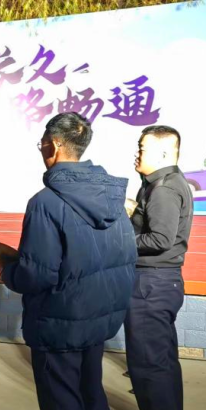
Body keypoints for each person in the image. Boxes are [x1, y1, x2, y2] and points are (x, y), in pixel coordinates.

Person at [0, 113, 137, 410]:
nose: (42, 150)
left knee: (61, 399)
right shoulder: (112, 196)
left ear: (55, 145)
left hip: (58, 325)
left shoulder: (45, 202)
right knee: (91, 393)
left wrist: (6, 271)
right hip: (97, 319)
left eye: (42, 144)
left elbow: (37, 275)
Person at [124, 125, 193, 410]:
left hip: (150, 286)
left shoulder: (163, 188)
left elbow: (160, 239)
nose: (137, 154)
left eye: (142, 149)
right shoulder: (165, 182)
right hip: (159, 283)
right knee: (160, 361)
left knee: (149, 366)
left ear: (163, 153)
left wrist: (118, 239)